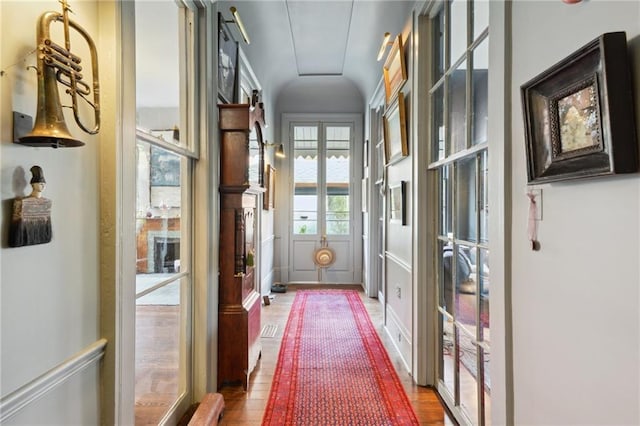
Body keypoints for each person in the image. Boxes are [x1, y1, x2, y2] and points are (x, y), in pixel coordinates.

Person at [9, 165, 52, 247]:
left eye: (43, 184)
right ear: (33, 185)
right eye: (40, 183)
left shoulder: (47, 202)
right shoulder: (22, 202)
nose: (42, 186)